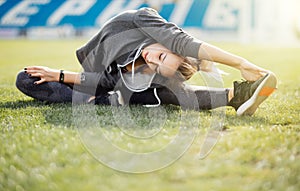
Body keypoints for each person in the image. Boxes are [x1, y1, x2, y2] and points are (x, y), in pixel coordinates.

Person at [16, 7, 277, 116]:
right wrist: (241, 63)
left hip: (116, 88)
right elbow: (183, 42)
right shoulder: (141, 19)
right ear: (167, 43)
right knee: (25, 78)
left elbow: (106, 81)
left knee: (164, 92)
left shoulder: (145, 70)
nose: (151, 59)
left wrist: (63, 78)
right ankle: (108, 101)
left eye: (155, 65)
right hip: (101, 84)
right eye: (161, 54)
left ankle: (237, 95)